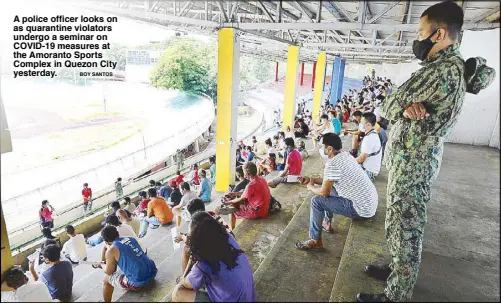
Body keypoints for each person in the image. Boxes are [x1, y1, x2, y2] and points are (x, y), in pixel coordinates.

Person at [357, 2, 495, 302]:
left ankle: (397, 294)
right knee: (401, 222)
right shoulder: (452, 67)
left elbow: (388, 106)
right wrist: (404, 107)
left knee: (405, 227)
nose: (417, 39)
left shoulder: (438, 72)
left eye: (421, 32)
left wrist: (400, 107)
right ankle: (397, 271)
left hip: (412, 161)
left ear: (439, 33)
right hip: (418, 157)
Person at [295, 133, 378, 251]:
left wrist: (310, 186)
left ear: (329, 149)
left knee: (316, 201)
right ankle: (326, 223)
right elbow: (329, 181)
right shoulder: (346, 155)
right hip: (369, 204)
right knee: (332, 190)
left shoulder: (332, 164)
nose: (321, 149)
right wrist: (311, 179)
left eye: (322, 146)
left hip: (361, 210)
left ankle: (315, 240)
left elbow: (324, 192)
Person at [172, 212, 256, 302]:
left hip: (232, 299)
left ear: (196, 239)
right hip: (248, 296)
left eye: (191, 234)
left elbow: (186, 284)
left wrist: (183, 277)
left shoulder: (204, 264)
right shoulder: (228, 237)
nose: (189, 236)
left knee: (177, 292)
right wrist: (183, 237)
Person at [101, 226, 157, 302]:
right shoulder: (130, 238)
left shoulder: (111, 251)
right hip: (153, 272)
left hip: (139, 282)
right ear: (118, 233)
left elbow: (109, 272)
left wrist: (101, 265)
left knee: (106, 280)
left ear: (105, 241)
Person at [215, 162, 271, 230]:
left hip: (258, 212)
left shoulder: (251, 185)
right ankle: (223, 212)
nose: (243, 174)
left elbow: (240, 199)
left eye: (244, 172)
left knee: (233, 208)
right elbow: (245, 193)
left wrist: (228, 202)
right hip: (264, 209)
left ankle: (231, 229)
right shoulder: (261, 179)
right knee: (236, 204)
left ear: (247, 173)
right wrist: (234, 194)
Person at [355, 112, 382, 181]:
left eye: (361, 122)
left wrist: (349, 162)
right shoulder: (373, 133)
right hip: (370, 169)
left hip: (369, 171)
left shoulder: (369, 138)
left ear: (368, 125)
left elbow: (361, 159)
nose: (360, 124)